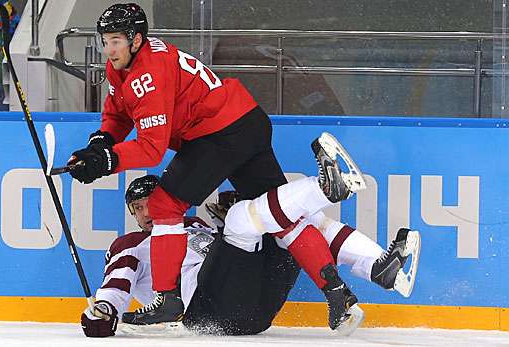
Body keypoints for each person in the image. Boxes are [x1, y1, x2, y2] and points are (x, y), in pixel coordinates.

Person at [67, 2, 355, 327]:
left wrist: (106, 161)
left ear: (136, 40)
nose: (109, 49)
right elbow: (119, 112)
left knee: (164, 205)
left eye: (116, 41)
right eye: (104, 41)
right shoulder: (124, 66)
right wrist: (101, 141)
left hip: (217, 132)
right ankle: (336, 290)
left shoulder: (148, 73)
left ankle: (168, 299)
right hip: (245, 120)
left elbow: (150, 148)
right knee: (280, 215)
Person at [80, 169, 420, 337]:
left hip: (256, 314)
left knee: (291, 217)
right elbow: (117, 282)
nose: (148, 213)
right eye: (139, 208)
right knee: (244, 217)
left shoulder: (198, 224)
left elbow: (229, 255)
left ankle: (380, 268)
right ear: (131, 213)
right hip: (206, 313)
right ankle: (323, 188)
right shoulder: (130, 245)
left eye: (153, 203)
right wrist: (106, 308)